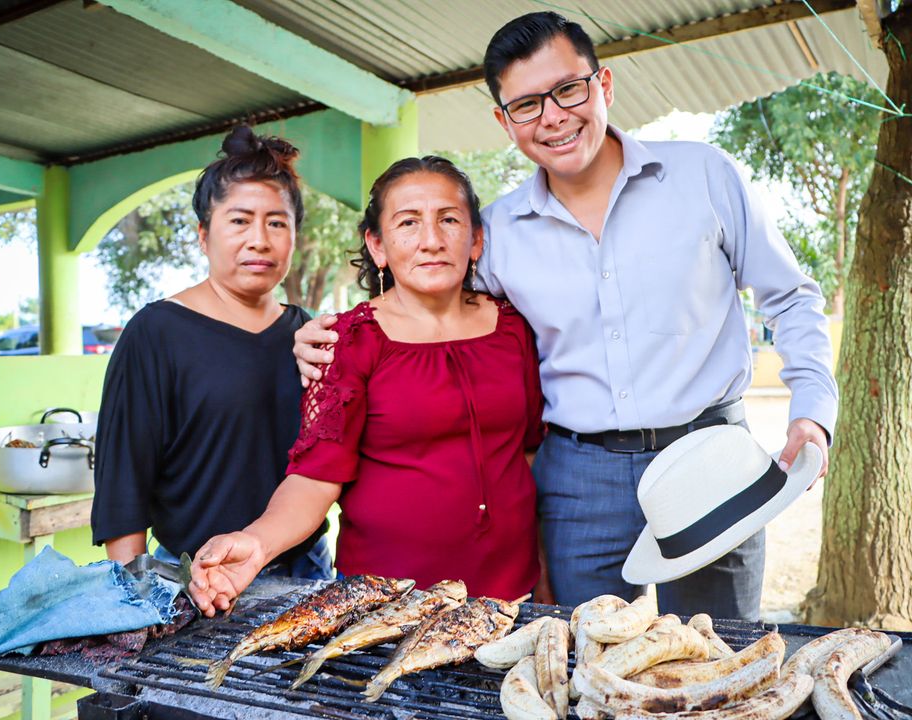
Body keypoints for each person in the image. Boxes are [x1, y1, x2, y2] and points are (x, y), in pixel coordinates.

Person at [293, 12, 837, 620]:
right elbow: (431, 305)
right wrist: (333, 333)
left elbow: (791, 297)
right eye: (526, 105)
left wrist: (813, 411)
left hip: (709, 454)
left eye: (568, 90)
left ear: (603, 85)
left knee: (722, 650)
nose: (552, 117)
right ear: (504, 122)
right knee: (583, 655)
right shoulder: (495, 231)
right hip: (579, 478)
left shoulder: (704, 175)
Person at [189, 156, 545, 616]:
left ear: (475, 239)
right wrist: (257, 542)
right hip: (385, 604)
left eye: (449, 220)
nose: (431, 240)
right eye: (408, 223)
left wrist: (544, 571)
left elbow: (529, 456)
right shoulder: (347, 341)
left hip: (510, 595)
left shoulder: (514, 329)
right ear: (377, 246)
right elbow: (315, 479)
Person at [90, 125, 331, 580]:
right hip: (193, 575)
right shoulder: (156, 331)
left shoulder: (309, 333)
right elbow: (123, 481)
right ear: (204, 235)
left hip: (305, 570)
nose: (259, 239)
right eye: (239, 221)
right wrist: (133, 595)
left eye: (277, 222)